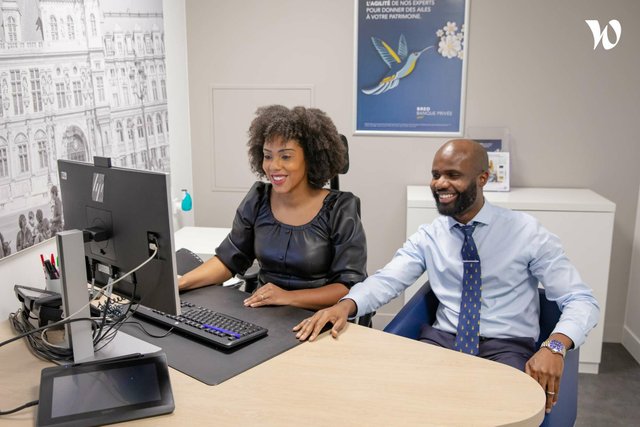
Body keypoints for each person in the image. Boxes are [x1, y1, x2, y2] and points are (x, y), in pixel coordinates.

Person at [294, 139, 599, 414]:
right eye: (436, 174)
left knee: (498, 413)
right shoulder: (430, 236)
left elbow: (580, 299)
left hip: (505, 346)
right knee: (387, 402)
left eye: (453, 175)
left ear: (482, 178)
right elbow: (388, 280)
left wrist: (555, 345)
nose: (440, 183)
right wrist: (345, 305)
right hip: (441, 342)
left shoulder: (526, 232)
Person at [178, 105, 367, 310]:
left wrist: (288, 297)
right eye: (268, 156)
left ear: (310, 159)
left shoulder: (340, 209)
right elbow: (228, 260)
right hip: (263, 313)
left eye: (285, 156)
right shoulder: (258, 198)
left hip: (317, 318)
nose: (273, 166)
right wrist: (180, 283)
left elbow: (348, 288)